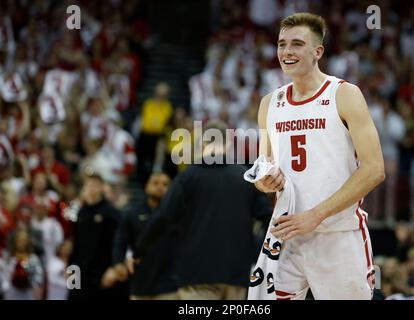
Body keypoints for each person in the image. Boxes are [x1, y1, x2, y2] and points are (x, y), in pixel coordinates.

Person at [254, 12, 385, 300]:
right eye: (281, 44)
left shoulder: (344, 94)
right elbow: (265, 167)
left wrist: (316, 215)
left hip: (338, 236)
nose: (287, 51)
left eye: (297, 44)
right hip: (287, 237)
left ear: (318, 51)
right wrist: (265, 180)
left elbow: (374, 169)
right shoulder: (269, 103)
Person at [135, 120, 273, 300]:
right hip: (236, 275)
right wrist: (262, 257)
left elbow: (163, 218)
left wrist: (140, 250)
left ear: (202, 144)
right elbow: (268, 218)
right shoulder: (245, 177)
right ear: (230, 144)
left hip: (196, 275)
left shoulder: (188, 177)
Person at [112, 172, 178, 300]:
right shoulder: (132, 213)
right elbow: (120, 243)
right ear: (146, 186)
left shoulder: (178, 214)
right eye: (155, 183)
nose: (160, 187)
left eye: (165, 184)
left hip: (169, 284)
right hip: (140, 282)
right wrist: (118, 263)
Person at [67, 168, 127, 300]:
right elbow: (75, 246)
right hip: (81, 275)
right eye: (88, 184)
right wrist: (71, 271)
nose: (91, 188)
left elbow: (121, 242)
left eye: (95, 184)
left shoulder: (112, 213)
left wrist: (114, 268)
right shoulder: (80, 213)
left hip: (104, 275)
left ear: (102, 187)